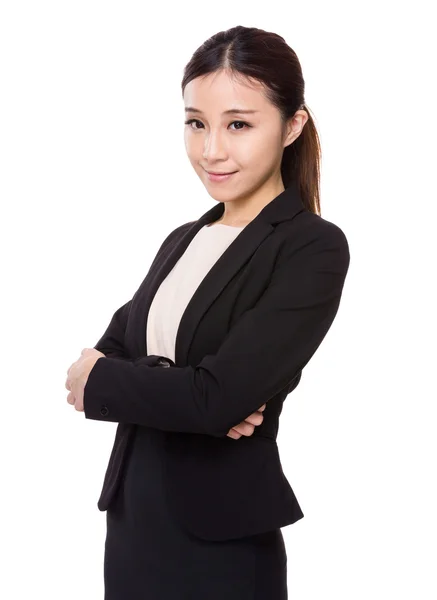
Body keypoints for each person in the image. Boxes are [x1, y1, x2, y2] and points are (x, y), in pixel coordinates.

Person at [66, 25, 350, 600]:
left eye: (238, 124)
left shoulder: (310, 247)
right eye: (196, 123)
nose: (211, 149)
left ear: (292, 126)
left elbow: (213, 396)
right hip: (132, 527)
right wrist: (188, 392)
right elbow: (95, 368)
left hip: (221, 544)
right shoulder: (182, 240)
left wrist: (180, 393)